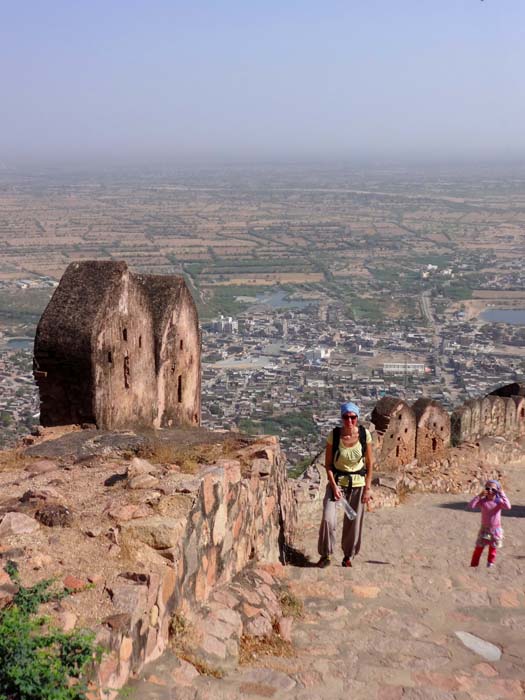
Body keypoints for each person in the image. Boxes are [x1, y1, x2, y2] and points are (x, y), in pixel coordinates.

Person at [317, 401, 374, 568]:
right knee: (328, 519)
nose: (349, 421)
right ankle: (325, 554)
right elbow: (328, 464)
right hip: (338, 483)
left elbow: (370, 464)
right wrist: (333, 486)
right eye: (346, 417)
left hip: (358, 484)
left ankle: (348, 555)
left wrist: (367, 489)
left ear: (357, 417)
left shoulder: (364, 435)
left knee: (353, 524)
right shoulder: (334, 436)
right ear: (342, 418)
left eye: (353, 417)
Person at [468, 479, 511, 568]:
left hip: (495, 530)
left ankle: (490, 564)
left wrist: (502, 493)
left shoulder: (499, 502)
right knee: (479, 548)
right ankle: (474, 564)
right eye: (488, 488)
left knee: (493, 548)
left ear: (497, 491)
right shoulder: (483, 501)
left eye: (493, 489)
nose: (490, 491)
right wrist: (479, 496)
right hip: (485, 529)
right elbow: (471, 506)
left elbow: (508, 506)